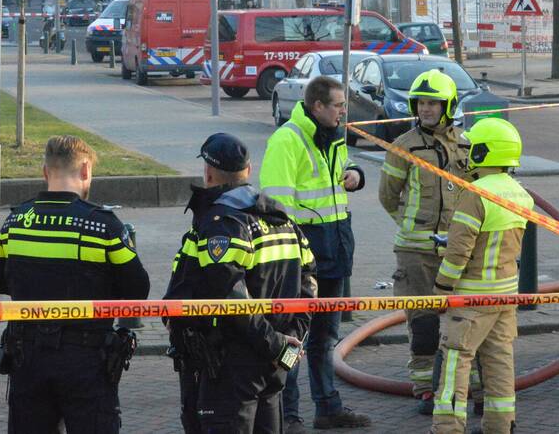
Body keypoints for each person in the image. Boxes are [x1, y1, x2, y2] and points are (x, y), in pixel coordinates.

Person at [0, 135, 150, 434]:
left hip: (28, 358)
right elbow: (137, 291)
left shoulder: (15, 222)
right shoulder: (103, 226)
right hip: (86, 361)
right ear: (86, 170)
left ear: (45, 172)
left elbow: (0, 281)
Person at [164, 133, 317, 434]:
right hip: (274, 363)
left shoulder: (223, 223)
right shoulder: (283, 220)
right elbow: (309, 285)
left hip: (231, 366)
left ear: (208, 172)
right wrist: (289, 345)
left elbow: (230, 296)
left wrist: (276, 345)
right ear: (248, 171)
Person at [260, 76, 370, 432]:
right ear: (317, 106)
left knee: (325, 339)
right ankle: (288, 415)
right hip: (301, 265)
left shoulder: (333, 137)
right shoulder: (287, 140)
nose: (344, 111)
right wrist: (295, 262)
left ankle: (327, 409)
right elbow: (277, 209)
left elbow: (342, 169)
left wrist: (354, 173)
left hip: (334, 253)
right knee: (293, 342)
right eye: (338, 105)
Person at [431, 118, 531, 434]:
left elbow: (459, 250)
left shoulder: (475, 193)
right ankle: (500, 426)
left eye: (473, 147)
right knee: (499, 361)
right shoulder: (520, 194)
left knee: (455, 361)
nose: (468, 151)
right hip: (506, 294)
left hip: (473, 296)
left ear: (484, 152)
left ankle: (447, 427)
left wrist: (442, 288)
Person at [378, 69, 470, 414]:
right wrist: (412, 227)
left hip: (458, 250)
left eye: (434, 103)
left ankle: (465, 385)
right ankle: (424, 386)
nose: (426, 109)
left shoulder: (467, 145)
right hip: (415, 253)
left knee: (464, 321)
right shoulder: (403, 147)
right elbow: (388, 197)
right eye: (421, 103)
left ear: (449, 106)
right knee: (424, 323)